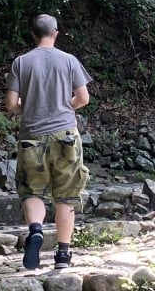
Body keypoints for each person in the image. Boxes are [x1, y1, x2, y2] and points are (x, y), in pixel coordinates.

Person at [5, 14, 91, 270]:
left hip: (32, 135)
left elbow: (10, 104)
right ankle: (63, 255)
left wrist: (28, 106)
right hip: (65, 134)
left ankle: (36, 229)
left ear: (33, 34)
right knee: (66, 195)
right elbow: (83, 98)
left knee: (32, 191)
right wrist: (66, 106)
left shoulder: (21, 62)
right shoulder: (69, 61)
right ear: (56, 32)